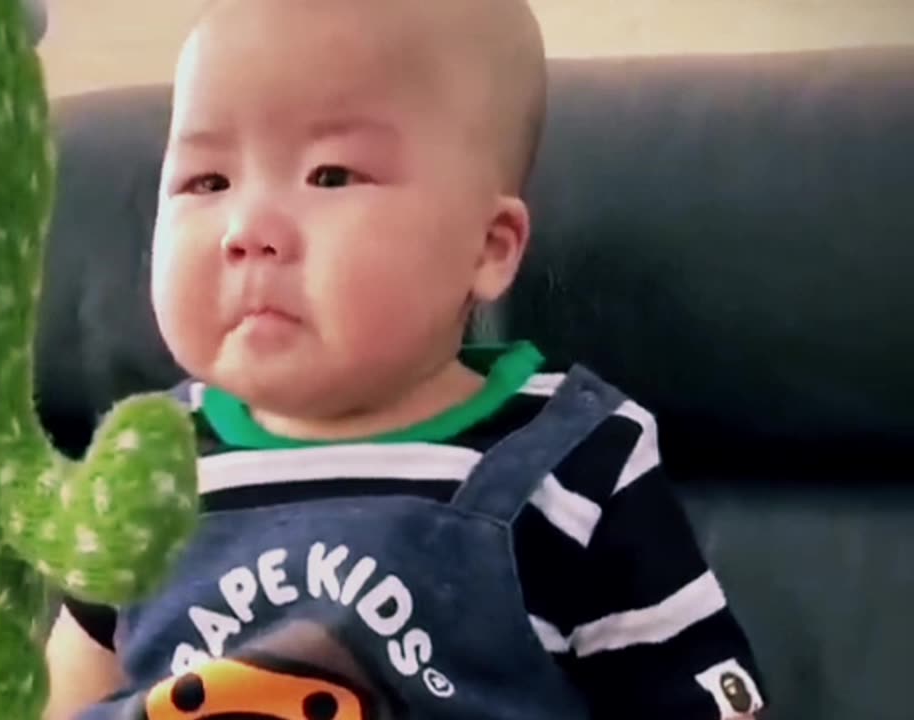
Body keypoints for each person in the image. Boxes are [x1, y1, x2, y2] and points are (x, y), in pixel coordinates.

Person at [46, 0, 767, 718]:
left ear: (486, 248)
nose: (248, 229)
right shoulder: (143, 468)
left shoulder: (577, 467)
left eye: (330, 176)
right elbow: (60, 694)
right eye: (208, 182)